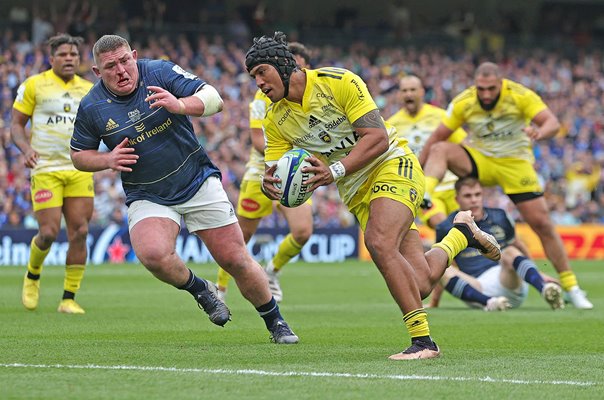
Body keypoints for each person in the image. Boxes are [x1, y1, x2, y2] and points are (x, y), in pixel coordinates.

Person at [245, 31, 501, 360]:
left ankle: (424, 342)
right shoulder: (274, 117)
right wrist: (273, 185)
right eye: (253, 77)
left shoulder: (338, 81)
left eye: (261, 72)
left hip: (392, 164)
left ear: (282, 64)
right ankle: (461, 233)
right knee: (420, 283)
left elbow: (377, 137)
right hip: (356, 190)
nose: (259, 83)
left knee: (379, 242)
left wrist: (333, 170)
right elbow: (276, 169)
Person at [69, 34, 298, 344]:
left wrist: (179, 105)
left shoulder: (159, 72)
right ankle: (200, 289)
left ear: (134, 56)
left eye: (125, 61)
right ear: (97, 72)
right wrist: (107, 159)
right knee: (152, 254)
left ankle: (276, 322)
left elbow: (214, 99)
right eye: (111, 66)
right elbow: (78, 156)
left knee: (235, 259)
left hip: (196, 180)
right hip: (147, 192)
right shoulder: (91, 106)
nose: (121, 70)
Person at [419, 62, 593, 310]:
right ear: (475, 85)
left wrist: (539, 132)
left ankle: (572, 287)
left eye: (491, 88)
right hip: (482, 161)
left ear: (501, 83)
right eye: (481, 89)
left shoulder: (520, 95)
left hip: (515, 164)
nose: (486, 94)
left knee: (542, 223)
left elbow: (552, 123)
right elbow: (436, 137)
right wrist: (417, 173)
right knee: (440, 149)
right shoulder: (464, 101)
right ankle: (424, 192)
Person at [216, 42, 314, 303]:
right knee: (241, 236)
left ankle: (272, 270)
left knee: (303, 232)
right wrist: (290, 156)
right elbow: (258, 141)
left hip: (295, 170)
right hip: (262, 170)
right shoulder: (263, 98)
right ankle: (220, 287)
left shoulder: (314, 95)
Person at [11, 33, 94, 314]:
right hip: (45, 167)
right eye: (63, 54)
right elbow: (16, 125)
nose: (69, 58)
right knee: (47, 233)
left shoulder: (89, 89)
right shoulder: (34, 85)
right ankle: (33, 275)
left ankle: (68, 298)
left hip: (80, 167)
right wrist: (24, 150)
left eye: (73, 54)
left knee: (80, 231)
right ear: (51, 59)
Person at [436, 177, 565, 310]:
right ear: (457, 199)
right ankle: (490, 303)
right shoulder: (445, 227)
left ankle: (544, 288)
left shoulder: (500, 216)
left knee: (509, 251)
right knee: (443, 267)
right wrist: (435, 302)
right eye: (468, 196)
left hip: (506, 281)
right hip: (474, 288)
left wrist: (538, 273)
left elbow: (518, 245)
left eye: (477, 194)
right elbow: (440, 267)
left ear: (482, 195)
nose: (474, 199)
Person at [386, 75, 467, 230]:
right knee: (445, 228)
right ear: (398, 95)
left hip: (452, 186)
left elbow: (463, 145)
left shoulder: (441, 116)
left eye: (412, 90)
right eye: (404, 91)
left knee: (468, 233)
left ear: (422, 92)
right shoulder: (392, 125)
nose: (408, 94)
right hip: (423, 191)